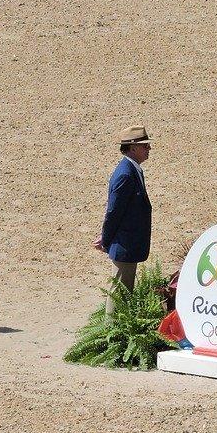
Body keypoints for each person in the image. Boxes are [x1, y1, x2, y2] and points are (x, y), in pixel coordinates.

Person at [93, 126, 153, 316]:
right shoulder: (126, 174)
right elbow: (113, 212)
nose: (149, 149)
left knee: (124, 291)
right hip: (124, 244)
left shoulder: (132, 170)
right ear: (133, 148)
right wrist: (106, 239)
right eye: (145, 146)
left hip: (128, 243)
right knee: (119, 291)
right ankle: (111, 333)